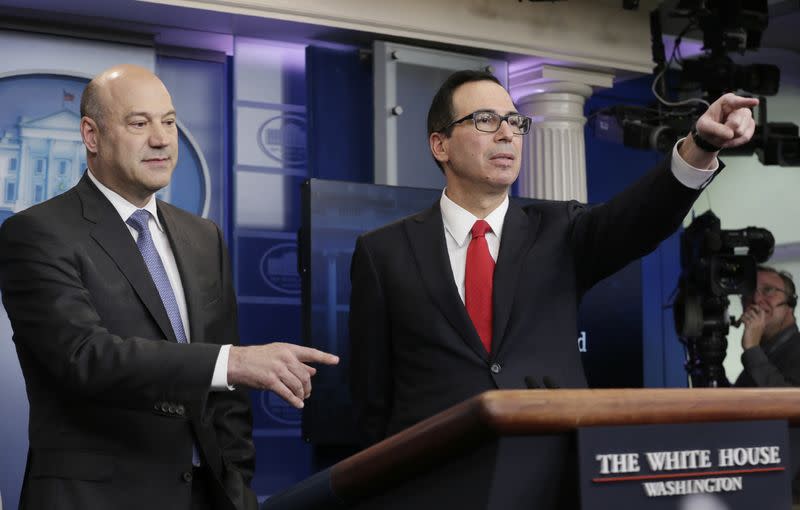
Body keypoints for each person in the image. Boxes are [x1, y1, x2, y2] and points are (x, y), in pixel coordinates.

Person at [349, 69, 757, 448]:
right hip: (434, 477)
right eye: (486, 120)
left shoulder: (561, 230)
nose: (507, 134)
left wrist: (700, 146)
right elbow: (372, 398)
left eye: (514, 121)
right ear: (440, 144)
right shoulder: (382, 252)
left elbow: (641, 217)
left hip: (549, 468)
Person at [0, 64, 338, 510]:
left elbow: (227, 401)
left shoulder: (203, 237)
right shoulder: (37, 232)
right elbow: (84, 357)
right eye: (139, 124)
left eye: (170, 122)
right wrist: (231, 362)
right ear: (91, 135)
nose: (161, 139)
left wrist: (237, 487)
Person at [734, 266, 800, 387]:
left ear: (790, 303)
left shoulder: (756, 355)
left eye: (768, 290)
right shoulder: (764, 353)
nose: (756, 299)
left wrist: (752, 348)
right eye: (749, 292)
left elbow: (790, 403)